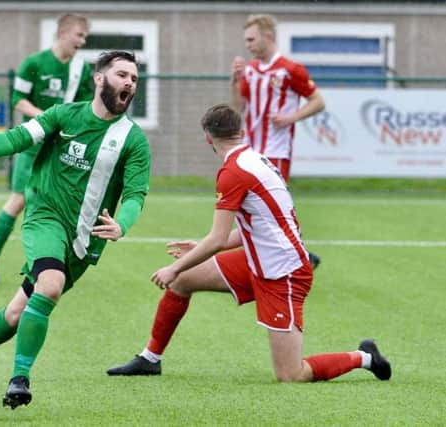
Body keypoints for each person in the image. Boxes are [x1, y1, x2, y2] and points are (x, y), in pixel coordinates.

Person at [107, 104, 391, 385]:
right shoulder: (255, 159)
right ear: (241, 132)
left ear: (207, 137)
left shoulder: (233, 172)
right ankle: (150, 359)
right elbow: (248, 231)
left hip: (284, 272)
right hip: (259, 260)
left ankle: (364, 357)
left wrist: (174, 266)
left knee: (291, 375)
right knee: (183, 280)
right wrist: (196, 251)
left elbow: (217, 239)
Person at [0, 51, 150, 409]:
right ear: (99, 79)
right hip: (45, 218)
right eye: (122, 74)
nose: (129, 82)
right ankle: (20, 379)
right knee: (50, 286)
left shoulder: (134, 139)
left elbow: (136, 194)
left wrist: (122, 224)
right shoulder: (64, 115)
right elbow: (17, 139)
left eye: (134, 79)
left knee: (18, 314)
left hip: (83, 241)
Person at [0, 13, 94, 284]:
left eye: (84, 37)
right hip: (33, 146)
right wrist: (47, 119)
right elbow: (17, 100)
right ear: (63, 33)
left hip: (61, 149)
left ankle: (49, 264)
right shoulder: (34, 63)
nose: (82, 42)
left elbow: (85, 108)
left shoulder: (83, 71)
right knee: (19, 201)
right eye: (79, 35)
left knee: (60, 204)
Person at [230, 14, 325, 269]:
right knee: (249, 205)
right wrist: (235, 80)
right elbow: (239, 107)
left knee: (274, 207)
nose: (247, 45)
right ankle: (289, 256)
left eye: (251, 39)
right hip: (250, 150)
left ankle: (296, 258)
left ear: (268, 37)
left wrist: (291, 117)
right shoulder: (250, 70)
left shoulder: (290, 69)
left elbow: (318, 101)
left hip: (276, 152)